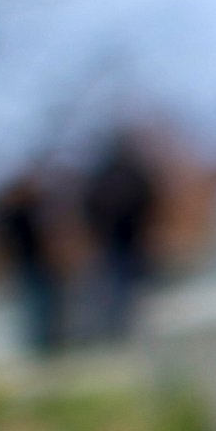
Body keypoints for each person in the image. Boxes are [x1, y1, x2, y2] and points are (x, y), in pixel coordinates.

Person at [81, 132, 161, 341]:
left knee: (124, 285)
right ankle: (124, 328)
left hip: (124, 240)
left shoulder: (104, 176)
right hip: (125, 240)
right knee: (125, 286)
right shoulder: (128, 173)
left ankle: (124, 327)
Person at [0, 172, 59, 355]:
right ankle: (36, 346)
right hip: (23, 270)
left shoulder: (33, 209)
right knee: (29, 311)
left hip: (39, 270)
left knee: (41, 309)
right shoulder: (11, 215)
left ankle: (45, 345)